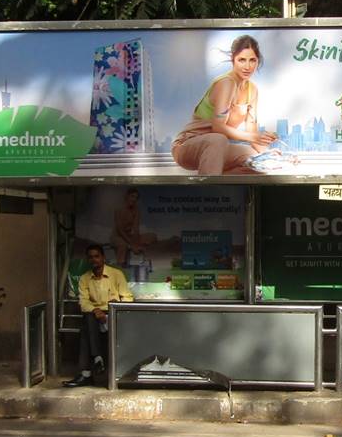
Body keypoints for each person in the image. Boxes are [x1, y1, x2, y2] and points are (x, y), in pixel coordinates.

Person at [171, 34, 279, 174]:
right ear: (232, 60)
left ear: (258, 61)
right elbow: (219, 128)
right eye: (242, 60)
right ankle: (210, 189)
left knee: (256, 160)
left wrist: (269, 155)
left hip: (217, 148)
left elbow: (251, 131)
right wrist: (254, 136)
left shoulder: (252, 90)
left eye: (252, 60)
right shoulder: (226, 83)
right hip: (187, 146)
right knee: (218, 139)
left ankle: (225, 188)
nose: (247, 66)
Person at [65, 243, 134, 386]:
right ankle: (97, 358)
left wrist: (116, 305)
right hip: (95, 316)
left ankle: (87, 372)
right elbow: (83, 302)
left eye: (97, 256)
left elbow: (128, 298)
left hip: (114, 315)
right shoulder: (85, 278)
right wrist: (95, 310)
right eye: (90, 257)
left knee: (86, 328)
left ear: (103, 258)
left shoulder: (116, 274)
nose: (94, 260)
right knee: (88, 321)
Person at [111, 187, 157, 267]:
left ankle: (145, 262)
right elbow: (120, 230)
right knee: (123, 245)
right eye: (132, 196)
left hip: (130, 237)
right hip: (118, 236)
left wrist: (136, 243)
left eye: (136, 197)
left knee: (152, 236)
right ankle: (120, 266)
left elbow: (136, 228)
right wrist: (132, 245)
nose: (134, 199)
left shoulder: (136, 210)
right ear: (127, 196)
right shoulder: (118, 209)